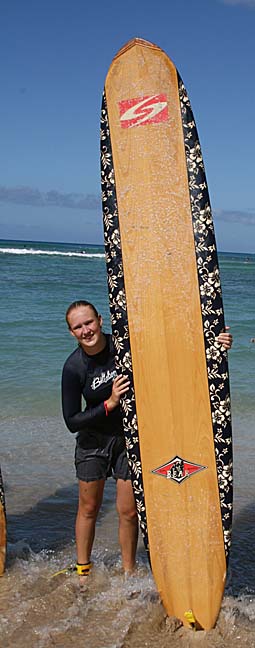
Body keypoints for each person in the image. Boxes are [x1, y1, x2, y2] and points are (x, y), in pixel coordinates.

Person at [62, 300, 233, 582]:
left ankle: (128, 572)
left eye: (89, 322)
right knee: (89, 507)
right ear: (71, 333)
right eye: (78, 327)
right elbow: (72, 421)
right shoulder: (74, 368)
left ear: (101, 321)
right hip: (93, 443)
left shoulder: (125, 346)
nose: (85, 330)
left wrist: (213, 343)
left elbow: (171, 349)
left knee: (129, 511)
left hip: (130, 438)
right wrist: (110, 403)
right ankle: (83, 570)